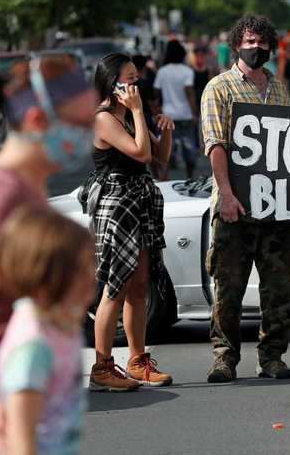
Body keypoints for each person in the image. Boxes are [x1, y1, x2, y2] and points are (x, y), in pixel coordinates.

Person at [201, 14, 290, 382]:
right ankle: (225, 358)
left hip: (276, 210)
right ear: (237, 42)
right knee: (228, 289)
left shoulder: (280, 89)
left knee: (279, 288)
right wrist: (226, 195)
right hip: (234, 209)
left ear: (271, 46)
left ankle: (272, 357)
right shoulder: (219, 88)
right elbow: (216, 144)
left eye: (262, 42)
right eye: (250, 41)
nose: (256, 48)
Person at [88, 53, 175, 392]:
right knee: (115, 286)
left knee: (139, 285)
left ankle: (138, 361)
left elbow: (158, 159)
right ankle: (102, 366)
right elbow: (138, 153)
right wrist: (139, 113)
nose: (136, 85)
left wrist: (164, 131)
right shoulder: (105, 118)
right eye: (129, 79)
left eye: (137, 78)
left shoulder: (127, 116)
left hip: (139, 201)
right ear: (113, 84)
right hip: (117, 205)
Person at [0, 53, 96, 344]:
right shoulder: (8, 195)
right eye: (80, 123)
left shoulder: (31, 188)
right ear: (37, 120)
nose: (89, 134)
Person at [0, 208, 94, 455]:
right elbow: (20, 434)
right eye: (81, 270)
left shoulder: (62, 325)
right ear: (46, 277)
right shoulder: (33, 347)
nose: (92, 277)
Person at [154, 40, 196, 179]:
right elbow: (189, 92)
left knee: (166, 151)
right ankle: (190, 177)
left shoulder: (162, 71)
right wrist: (195, 113)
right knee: (189, 150)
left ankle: (164, 178)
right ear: (183, 54)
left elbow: (156, 94)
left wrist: (158, 111)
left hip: (167, 117)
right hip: (185, 116)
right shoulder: (188, 71)